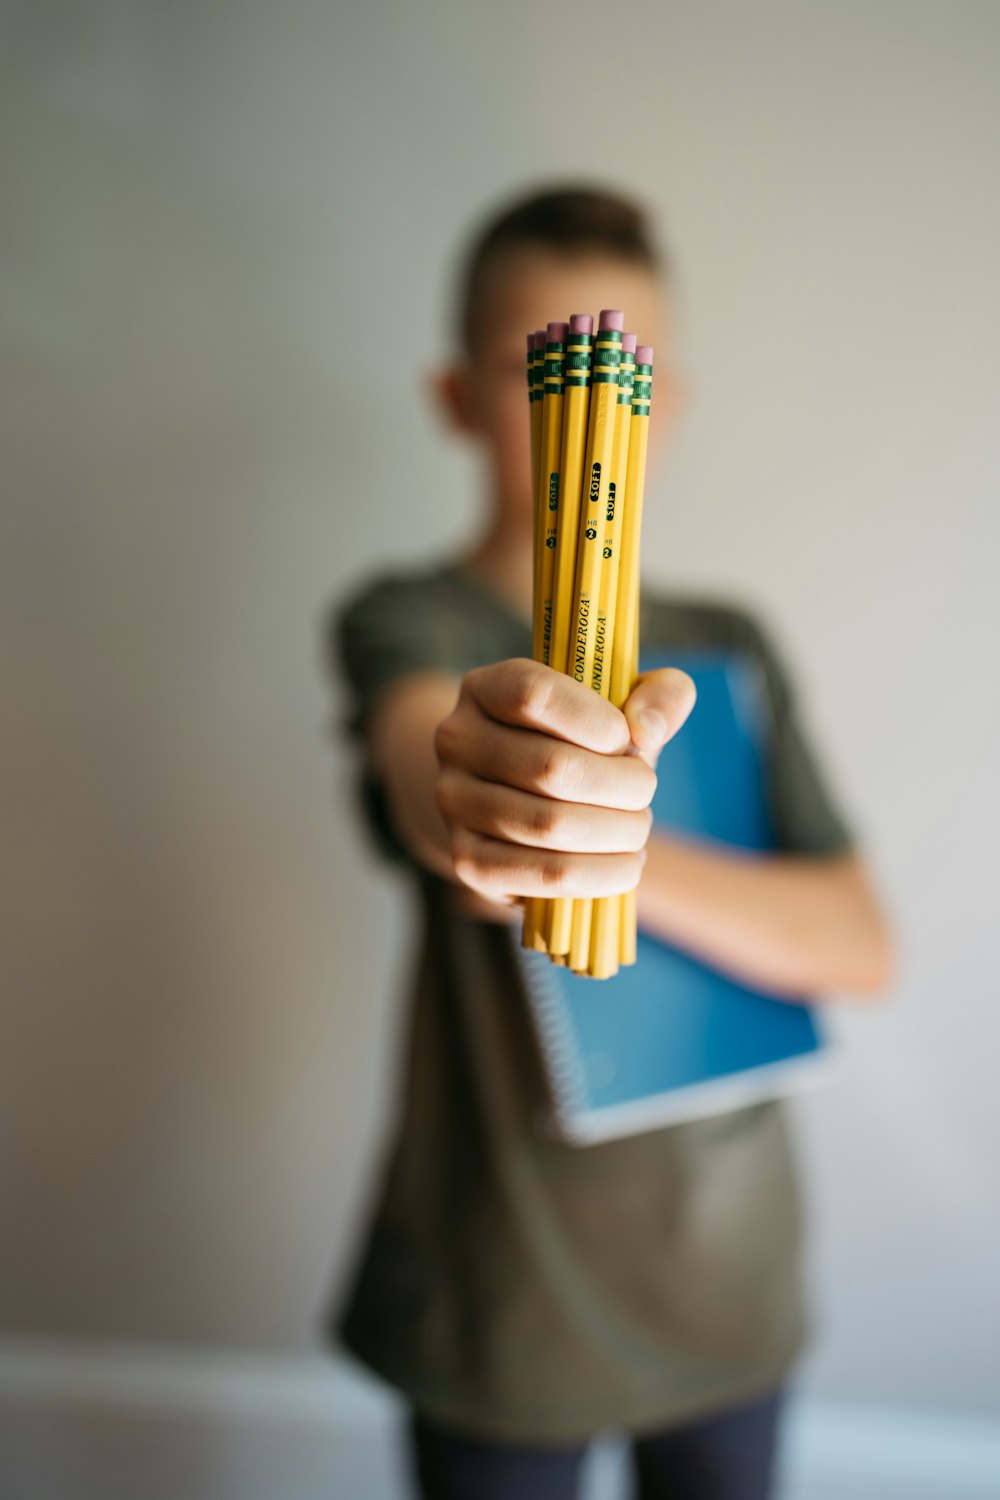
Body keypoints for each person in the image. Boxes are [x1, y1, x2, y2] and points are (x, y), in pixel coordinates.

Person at [326, 185, 892, 1500]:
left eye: (619, 374)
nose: (590, 429)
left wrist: (617, 851)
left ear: (670, 403)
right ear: (460, 398)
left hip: (730, 1275)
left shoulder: (728, 641)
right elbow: (433, 769)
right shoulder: (411, 622)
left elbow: (857, 945)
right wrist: (492, 806)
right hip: (505, 1283)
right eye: (551, 374)